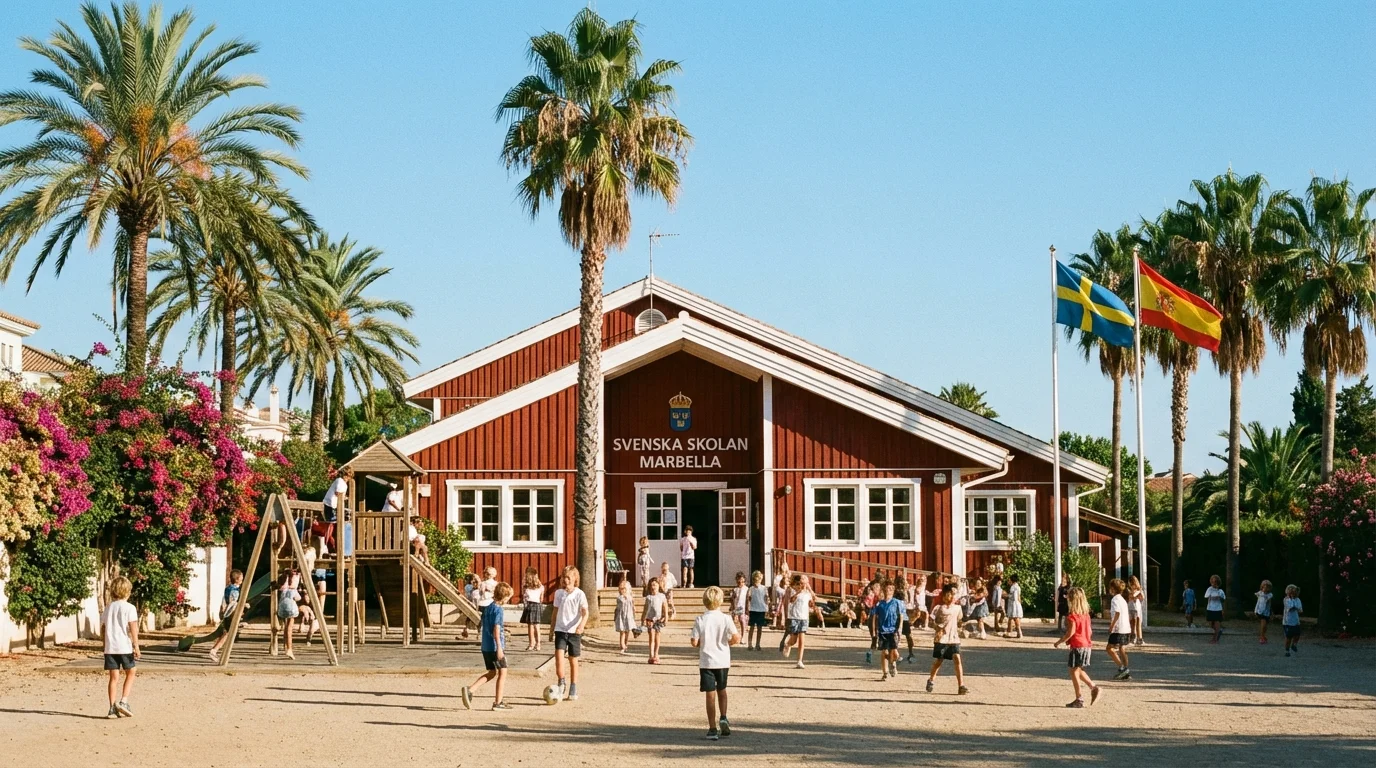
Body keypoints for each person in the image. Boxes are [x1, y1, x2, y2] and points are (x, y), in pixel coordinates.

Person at [691, 586, 740, 741]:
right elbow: (736, 637)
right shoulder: (726, 618)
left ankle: (712, 728)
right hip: (723, 660)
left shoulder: (700, 619)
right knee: (722, 690)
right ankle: (724, 717)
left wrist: (701, 644)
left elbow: (694, 641)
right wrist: (728, 643)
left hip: (707, 661)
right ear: (720, 601)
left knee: (710, 695)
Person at [461, 581, 513, 710]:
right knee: (503, 672)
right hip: (495, 647)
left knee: (491, 672)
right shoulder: (498, 610)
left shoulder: (488, 607)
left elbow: (482, 624)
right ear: (504, 597)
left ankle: (471, 690)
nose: (508, 600)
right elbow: (496, 628)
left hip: (486, 646)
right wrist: (500, 647)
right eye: (508, 598)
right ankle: (498, 702)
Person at [1053, 587, 1102, 708]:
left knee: (1073, 671)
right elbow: (1089, 631)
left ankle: (1079, 697)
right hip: (1086, 645)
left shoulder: (1072, 617)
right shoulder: (1086, 616)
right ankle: (1093, 687)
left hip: (1077, 646)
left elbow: (1071, 632)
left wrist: (1059, 641)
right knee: (1078, 669)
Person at [102, 576, 140, 718]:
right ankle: (124, 701)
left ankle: (112, 707)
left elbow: (104, 627)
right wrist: (136, 646)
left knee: (113, 678)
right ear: (127, 592)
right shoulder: (130, 608)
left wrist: (104, 645)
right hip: (124, 646)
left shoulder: (108, 607)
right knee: (131, 671)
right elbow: (133, 628)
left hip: (110, 647)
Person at [549, 568, 588, 700]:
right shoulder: (559, 593)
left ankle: (573, 686)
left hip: (574, 632)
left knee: (573, 659)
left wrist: (581, 625)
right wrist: (551, 628)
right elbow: (555, 612)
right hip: (560, 630)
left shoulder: (579, 594)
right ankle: (561, 682)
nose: (565, 580)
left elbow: (585, 612)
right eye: (564, 577)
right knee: (559, 657)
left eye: (568, 577)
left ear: (575, 579)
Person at [926, 584, 967, 695]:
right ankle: (931, 680)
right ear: (945, 595)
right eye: (951, 594)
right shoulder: (939, 608)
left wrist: (962, 627)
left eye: (954, 594)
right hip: (942, 639)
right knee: (939, 661)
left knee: (957, 659)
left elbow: (959, 621)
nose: (953, 596)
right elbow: (931, 622)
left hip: (954, 638)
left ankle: (961, 685)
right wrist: (937, 627)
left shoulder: (958, 608)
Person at [779, 574, 825, 669]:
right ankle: (788, 644)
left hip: (804, 618)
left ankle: (799, 661)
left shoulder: (807, 594)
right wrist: (798, 592)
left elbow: (811, 604)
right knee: (794, 640)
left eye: (805, 583)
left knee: (802, 640)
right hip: (794, 617)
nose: (803, 585)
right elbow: (791, 600)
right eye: (802, 583)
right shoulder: (792, 590)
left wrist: (816, 610)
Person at [208, 569, 244, 662]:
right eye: (241, 578)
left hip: (226, 613)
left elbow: (225, 600)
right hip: (230, 613)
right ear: (236, 580)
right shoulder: (235, 590)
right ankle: (214, 651)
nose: (242, 580)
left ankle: (217, 651)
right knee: (227, 633)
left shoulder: (228, 588)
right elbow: (233, 603)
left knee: (227, 633)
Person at [870, 579, 904, 680]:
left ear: (893, 591)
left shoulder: (897, 603)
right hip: (882, 631)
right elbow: (874, 618)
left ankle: (893, 662)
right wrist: (874, 632)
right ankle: (885, 672)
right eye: (886, 589)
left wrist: (900, 629)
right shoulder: (879, 604)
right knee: (884, 652)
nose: (887, 591)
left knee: (894, 651)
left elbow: (901, 616)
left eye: (890, 589)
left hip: (893, 630)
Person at [1105, 578, 1132, 680]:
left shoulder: (1115, 599)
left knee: (1109, 648)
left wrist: (1112, 626)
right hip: (1125, 627)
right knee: (1122, 648)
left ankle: (1122, 668)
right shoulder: (1123, 600)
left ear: (1112, 588)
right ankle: (1126, 669)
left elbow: (1117, 613)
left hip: (1118, 628)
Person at [641, 577, 670, 663]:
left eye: (655, 585)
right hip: (650, 619)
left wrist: (666, 617)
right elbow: (645, 609)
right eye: (652, 585)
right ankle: (650, 655)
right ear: (650, 587)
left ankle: (656, 654)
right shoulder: (649, 597)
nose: (653, 587)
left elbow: (665, 607)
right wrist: (642, 619)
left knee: (657, 636)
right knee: (651, 636)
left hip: (658, 619)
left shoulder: (662, 596)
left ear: (658, 586)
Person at [275, 568, 301, 659]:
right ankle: (289, 649)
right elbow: (298, 598)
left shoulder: (283, 589)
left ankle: (285, 646)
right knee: (290, 628)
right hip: (291, 608)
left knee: (286, 627)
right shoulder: (293, 590)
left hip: (282, 607)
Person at [521, 567, 544, 652]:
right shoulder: (541, 587)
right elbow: (541, 599)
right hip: (537, 605)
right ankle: (538, 644)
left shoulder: (525, 586)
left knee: (530, 626)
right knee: (537, 626)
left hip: (529, 605)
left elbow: (524, 597)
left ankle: (531, 644)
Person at [896, 575, 918, 663]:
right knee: (908, 635)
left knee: (897, 635)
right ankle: (911, 652)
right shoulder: (904, 592)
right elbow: (907, 603)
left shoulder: (898, 592)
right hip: (903, 616)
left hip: (898, 616)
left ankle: (896, 653)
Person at [746, 570, 769, 650]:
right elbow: (748, 599)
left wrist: (767, 608)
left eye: (758, 580)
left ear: (760, 580)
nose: (756, 582)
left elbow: (766, 599)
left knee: (760, 628)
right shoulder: (751, 589)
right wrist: (747, 609)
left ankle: (758, 644)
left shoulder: (764, 588)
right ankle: (749, 643)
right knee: (751, 627)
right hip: (753, 609)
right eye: (754, 580)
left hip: (761, 609)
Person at [614, 579, 636, 653]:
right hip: (621, 616)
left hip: (629, 616)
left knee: (627, 631)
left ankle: (625, 643)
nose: (623, 591)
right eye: (622, 589)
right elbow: (619, 606)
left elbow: (632, 606)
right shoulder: (619, 598)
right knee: (622, 631)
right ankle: (622, 645)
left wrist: (634, 612)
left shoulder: (630, 597)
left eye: (625, 589)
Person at [1282, 585, 1303, 657]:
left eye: (1295, 593)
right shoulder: (1286, 599)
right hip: (1288, 621)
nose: (1294, 594)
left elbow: (1300, 609)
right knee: (1289, 637)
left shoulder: (1298, 600)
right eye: (1292, 592)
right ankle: (1287, 650)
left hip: (1296, 621)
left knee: (1298, 634)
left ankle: (1294, 644)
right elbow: (1289, 608)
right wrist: (1295, 607)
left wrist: (1298, 609)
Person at [1204, 574, 1226, 644]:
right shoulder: (1209, 589)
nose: (1213, 583)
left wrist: (1219, 595)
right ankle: (1219, 631)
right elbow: (1206, 596)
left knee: (1217, 624)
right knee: (1211, 624)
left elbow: (1223, 599)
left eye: (1215, 582)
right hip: (1210, 608)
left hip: (1217, 609)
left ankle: (1215, 639)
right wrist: (1212, 595)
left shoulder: (1220, 591)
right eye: (1212, 582)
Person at [771, 561, 792, 630]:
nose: (784, 571)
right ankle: (775, 623)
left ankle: (783, 624)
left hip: (786, 597)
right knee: (777, 609)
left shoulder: (788, 577)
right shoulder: (778, 577)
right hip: (779, 596)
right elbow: (775, 588)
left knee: (784, 611)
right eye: (783, 569)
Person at [1003, 574, 1024, 639]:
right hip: (1016, 604)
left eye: (1009, 580)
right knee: (1012, 618)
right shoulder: (1018, 587)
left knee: (1015, 618)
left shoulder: (1013, 587)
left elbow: (1014, 597)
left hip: (1013, 605)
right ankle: (1013, 632)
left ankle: (1018, 632)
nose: (1008, 581)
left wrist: (1006, 595)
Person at [730, 572, 749, 641]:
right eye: (739, 581)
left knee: (742, 620)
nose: (741, 583)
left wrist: (747, 609)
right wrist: (732, 608)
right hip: (736, 607)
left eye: (742, 581)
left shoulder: (746, 589)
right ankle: (733, 636)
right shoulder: (735, 589)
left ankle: (743, 636)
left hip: (743, 607)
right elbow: (732, 600)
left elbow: (747, 599)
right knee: (733, 621)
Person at [1254, 580, 1274, 645]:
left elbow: (1267, 600)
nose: (1265, 588)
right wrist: (1255, 610)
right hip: (1260, 611)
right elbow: (1258, 602)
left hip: (1266, 612)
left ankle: (1263, 635)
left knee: (1265, 626)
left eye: (1267, 587)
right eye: (1264, 587)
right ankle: (1261, 637)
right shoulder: (1260, 593)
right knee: (1263, 624)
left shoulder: (1270, 595)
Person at [1127, 576, 1145, 646]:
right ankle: (1133, 638)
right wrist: (1132, 596)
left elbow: (1142, 598)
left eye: (1132, 584)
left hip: (1137, 608)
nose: (1131, 585)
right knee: (1132, 623)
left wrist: (1137, 596)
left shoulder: (1139, 590)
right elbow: (1129, 598)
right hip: (1131, 608)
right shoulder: (1128, 590)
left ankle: (1139, 639)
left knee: (1138, 624)